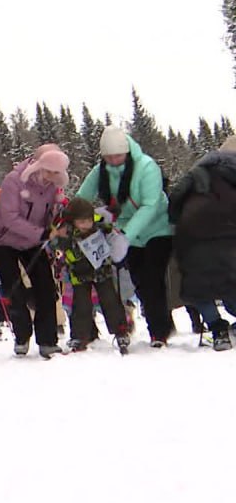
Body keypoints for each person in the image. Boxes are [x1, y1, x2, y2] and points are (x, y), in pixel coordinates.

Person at [75, 126, 175, 346]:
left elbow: (151, 205)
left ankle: (158, 331)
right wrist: (79, 216)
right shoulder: (100, 171)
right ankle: (162, 322)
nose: (113, 161)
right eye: (108, 157)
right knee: (139, 280)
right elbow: (82, 198)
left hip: (156, 229)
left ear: (127, 151)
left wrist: (126, 235)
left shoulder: (147, 167)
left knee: (152, 278)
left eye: (118, 156)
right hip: (125, 231)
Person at [0, 145, 69, 358]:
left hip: (34, 240)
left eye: (56, 172)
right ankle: (22, 335)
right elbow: (9, 217)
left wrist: (57, 219)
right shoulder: (14, 181)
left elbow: (51, 212)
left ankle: (48, 339)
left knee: (46, 287)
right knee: (15, 289)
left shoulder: (53, 187)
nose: (52, 176)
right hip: (3, 240)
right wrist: (41, 233)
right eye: (49, 170)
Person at [166, 134, 235, 351]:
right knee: (232, 281)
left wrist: (178, 223)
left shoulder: (197, 171)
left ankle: (217, 330)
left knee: (199, 287)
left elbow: (175, 198)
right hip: (229, 231)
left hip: (192, 232)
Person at [47, 198, 131, 353]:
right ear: (73, 221)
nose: (86, 224)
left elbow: (113, 233)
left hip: (102, 272)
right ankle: (79, 336)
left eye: (88, 220)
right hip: (79, 275)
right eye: (81, 221)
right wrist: (54, 235)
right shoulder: (67, 233)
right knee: (80, 306)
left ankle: (120, 330)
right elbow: (53, 244)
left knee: (111, 301)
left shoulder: (100, 227)